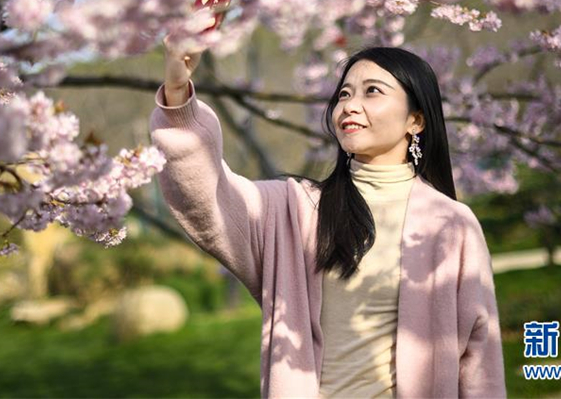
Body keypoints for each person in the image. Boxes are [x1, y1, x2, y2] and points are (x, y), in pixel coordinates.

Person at [149, 38, 506, 399]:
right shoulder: (298, 210)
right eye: (344, 94)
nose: (349, 106)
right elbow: (207, 197)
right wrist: (178, 96)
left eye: (372, 91)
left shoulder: (451, 224)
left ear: (415, 120)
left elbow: (480, 359)